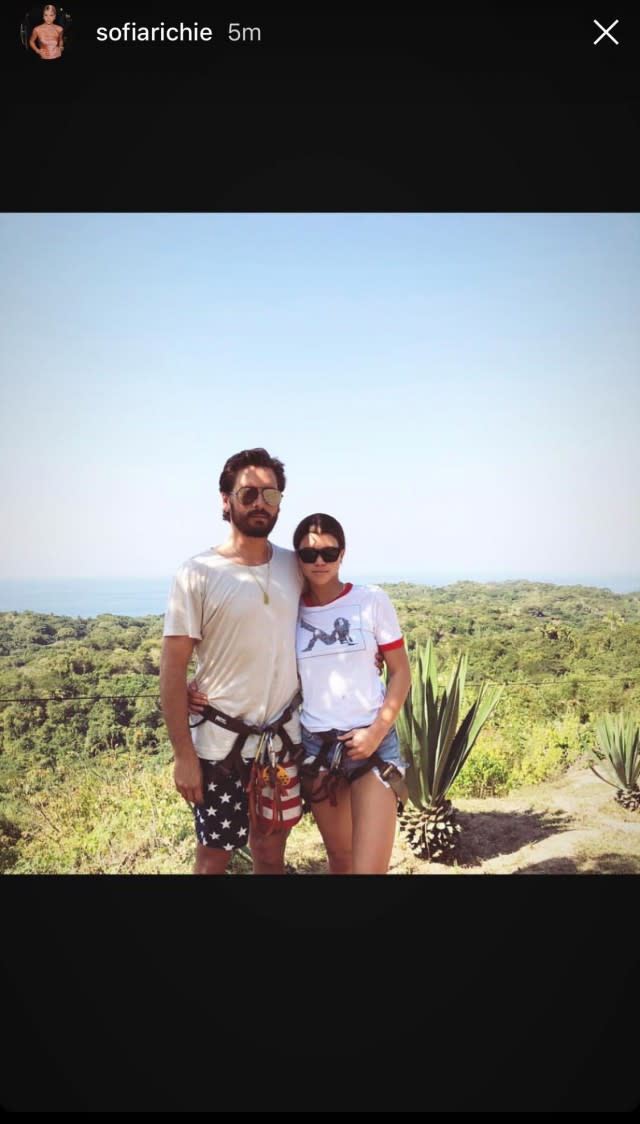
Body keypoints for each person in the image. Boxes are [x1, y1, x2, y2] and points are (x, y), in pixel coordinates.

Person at [160, 447, 304, 875]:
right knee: (212, 859)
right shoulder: (198, 573)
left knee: (271, 854)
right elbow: (172, 668)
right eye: (249, 494)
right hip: (219, 747)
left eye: (271, 494)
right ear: (225, 500)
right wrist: (182, 755)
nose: (261, 502)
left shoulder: (294, 564)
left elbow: (327, 620)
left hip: (282, 742)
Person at [293, 513, 411, 874]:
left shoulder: (370, 600)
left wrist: (376, 732)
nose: (319, 562)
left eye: (329, 553)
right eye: (309, 554)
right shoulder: (289, 610)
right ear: (297, 558)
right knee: (341, 862)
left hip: (373, 746)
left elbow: (401, 671)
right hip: (318, 749)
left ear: (343, 555)